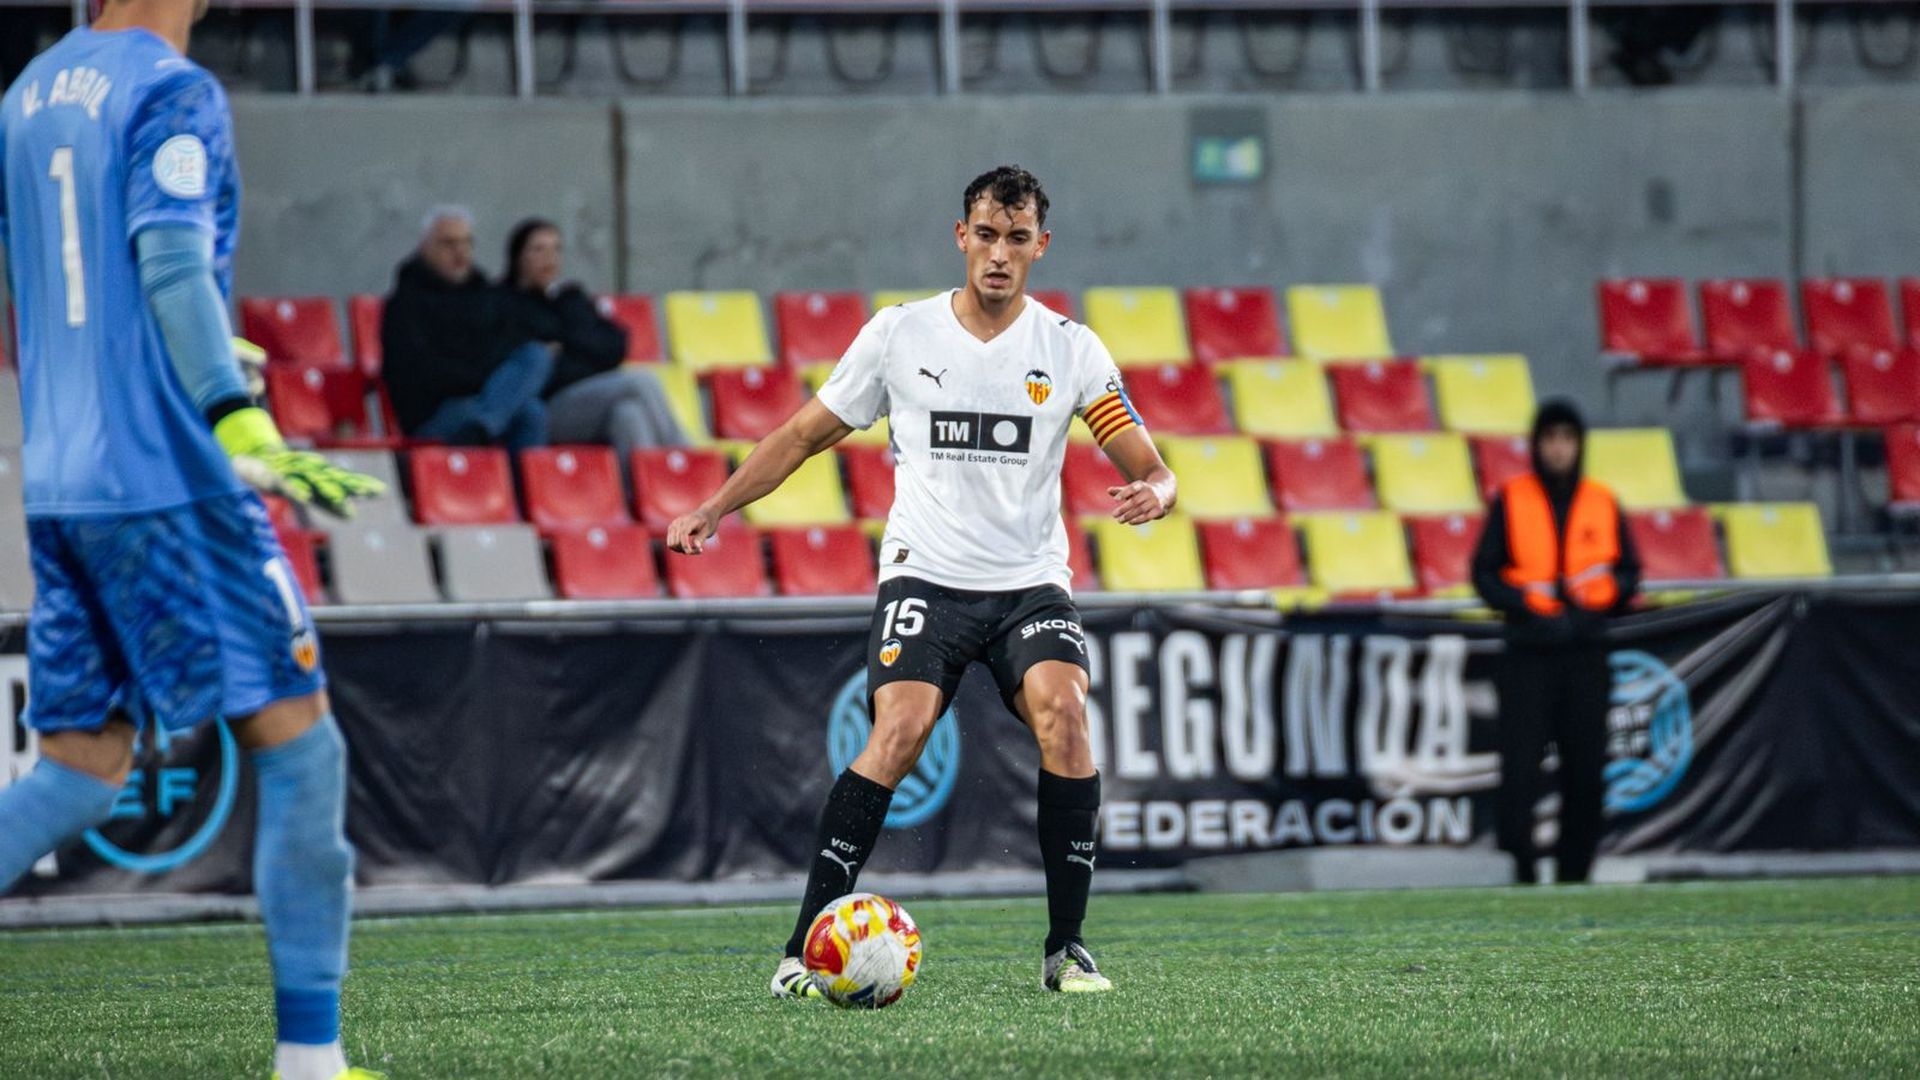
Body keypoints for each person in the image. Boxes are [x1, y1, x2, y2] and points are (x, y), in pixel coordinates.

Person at [668, 165, 1177, 997]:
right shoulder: (899, 336)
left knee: (1067, 716)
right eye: (986, 234)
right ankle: (801, 951)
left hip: (1028, 585)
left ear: (1039, 247)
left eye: (1017, 238)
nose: (1000, 253)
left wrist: (1155, 493)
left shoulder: (1070, 349)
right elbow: (801, 434)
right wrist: (716, 506)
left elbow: (1153, 467)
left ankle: (1067, 950)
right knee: (899, 731)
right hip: (926, 580)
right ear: (961, 237)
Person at [0, 4, 384, 1079]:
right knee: (304, 752)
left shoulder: (24, 95)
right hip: (166, 478)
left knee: (79, 770)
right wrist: (235, 413)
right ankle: (311, 1063)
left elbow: (53, 280)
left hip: (61, 484)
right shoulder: (173, 90)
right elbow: (167, 260)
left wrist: (203, 326)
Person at [1471, 399, 1642, 886]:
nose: (1559, 448)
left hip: (1585, 653)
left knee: (1586, 770)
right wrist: (1526, 605)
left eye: (1567, 438)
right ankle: (1522, 868)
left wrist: (1592, 609)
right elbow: (1484, 574)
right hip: (1528, 653)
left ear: (1579, 444)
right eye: (1550, 438)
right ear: (1537, 444)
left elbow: (1628, 573)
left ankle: (1575, 873)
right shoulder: (1511, 499)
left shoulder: (1602, 501)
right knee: (1520, 769)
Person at [499, 218, 686, 455]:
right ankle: (687, 455)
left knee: (629, 415)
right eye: (539, 249)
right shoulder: (506, 303)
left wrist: (567, 346)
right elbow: (542, 370)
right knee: (642, 381)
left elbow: (616, 345)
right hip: (548, 407)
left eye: (556, 249)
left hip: (593, 399)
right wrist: (586, 353)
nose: (550, 258)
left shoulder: (570, 298)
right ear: (519, 256)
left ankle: (645, 488)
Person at [380, 206, 552, 450]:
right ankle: (486, 423)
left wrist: (487, 377)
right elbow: (424, 373)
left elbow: (510, 342)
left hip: (483, 400)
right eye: (449, 244)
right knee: (520, 406)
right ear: (425, 248)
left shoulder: (484, 294)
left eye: (466, 243)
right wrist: (487, 375)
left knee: (535, 369)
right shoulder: (406, 304)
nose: (460, 252)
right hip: (436, 412)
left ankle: (488, 434)